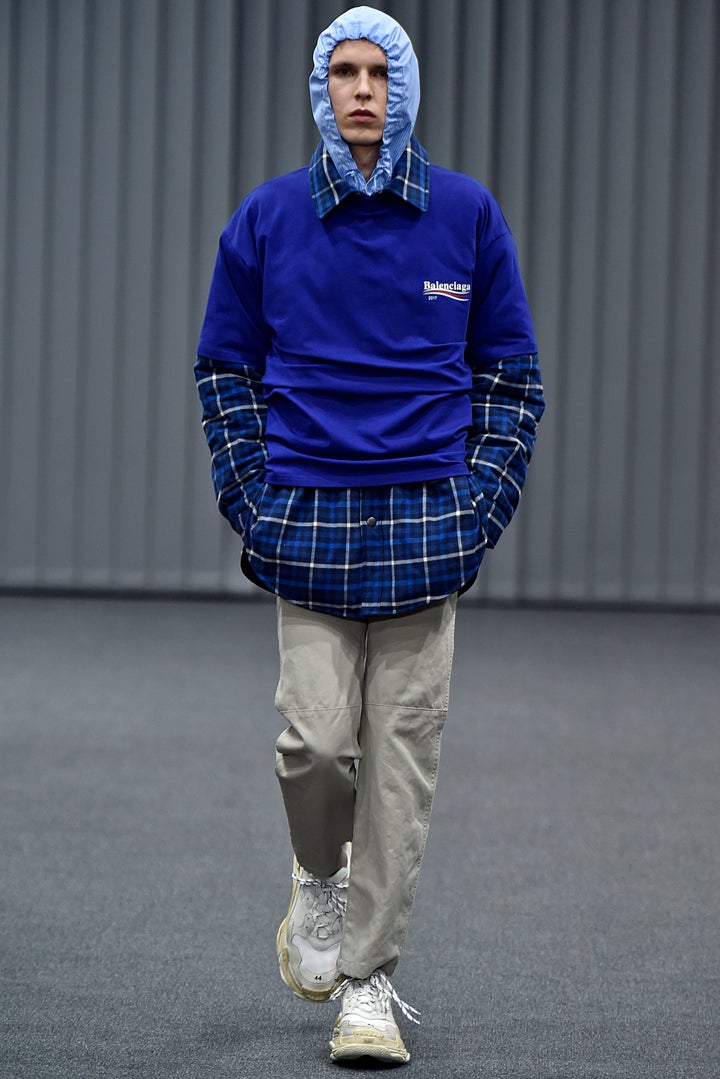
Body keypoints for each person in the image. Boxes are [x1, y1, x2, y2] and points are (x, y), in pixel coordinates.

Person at [195, 5, 544, 1066]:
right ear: (321, 88)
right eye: (342, 72)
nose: (359, 90)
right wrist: (252, 497)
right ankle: (317, 876)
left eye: (376, 74)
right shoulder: (268, 218)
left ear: (403, 90)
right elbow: (226, 371)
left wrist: (475, 508)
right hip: (306, 510)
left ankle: (369, 983)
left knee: (401, 762)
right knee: (312, 742)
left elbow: (510, 377)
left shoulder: (467, 217)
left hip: (425, 521)